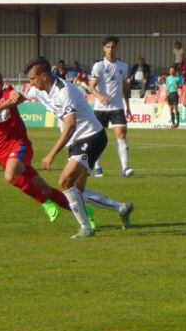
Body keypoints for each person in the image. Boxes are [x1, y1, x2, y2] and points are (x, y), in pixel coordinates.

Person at [11, 57, 133, 239]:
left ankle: (86, 228)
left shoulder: (64, 91)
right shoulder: (39, 89)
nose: (30, 83)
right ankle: (121, 208)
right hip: (78, 142)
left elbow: (70, 126)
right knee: (77, 192)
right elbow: (22, 96)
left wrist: (51, 154)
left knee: (65, 182)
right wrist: (2, 107)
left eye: (32, 79)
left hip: (92, 137)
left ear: (43, 76)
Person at [0, 69, 91, 227]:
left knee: (10, 176)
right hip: (1, 154)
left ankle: (45, 203)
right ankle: (85, 213)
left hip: (20, 146)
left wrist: (7, 101)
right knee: (45, 189)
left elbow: (18, 97)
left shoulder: (7, 93)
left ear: (1, 85)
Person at [89, 36, 133, 178]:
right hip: (100, 108)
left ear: (116, 48)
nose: (110, 49)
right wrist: (100, 96)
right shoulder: (99, 65)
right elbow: (91, 87)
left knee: (122, 136)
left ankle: (125, 168)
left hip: (117, 107)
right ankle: (97, 166)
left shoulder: (123, 66)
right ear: (104, 48)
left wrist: (128, 106)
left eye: (113, 47)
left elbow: (125, 89)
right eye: (107, 47)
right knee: (99, 138)